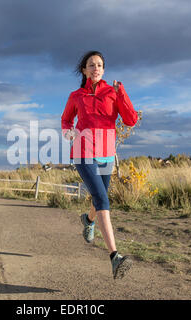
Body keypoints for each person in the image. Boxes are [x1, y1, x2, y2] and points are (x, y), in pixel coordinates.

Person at [61, 50, 139, 279]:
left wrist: (121, 92)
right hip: (83, 153)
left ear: (103, 70)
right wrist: (69, 133)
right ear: (84, 70)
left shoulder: (112, 93)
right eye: (91, 65)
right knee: (103, 200)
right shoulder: (76, 96)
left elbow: (130, 120)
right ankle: (115, 257)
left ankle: (88, 219)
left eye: (100, 65)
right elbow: (66, 119)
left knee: (100, 197)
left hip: (106, 154)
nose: (96, 68)